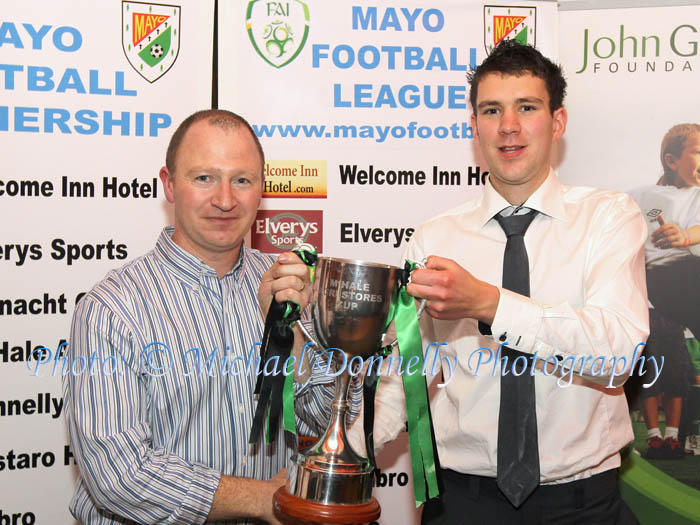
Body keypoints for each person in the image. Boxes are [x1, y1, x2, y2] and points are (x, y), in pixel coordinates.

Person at [354, 41, 649, 523]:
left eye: (526, 107)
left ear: (557, 122)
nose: (508, 126)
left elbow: (617, 357)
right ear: (474, 127)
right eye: (492, 110)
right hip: (463, 503)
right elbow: (408, 373)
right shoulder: (434, 237)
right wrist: (345, 451)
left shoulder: (608, 217)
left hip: (581, 504)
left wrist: (490, 303)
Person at [63, 109, 324, 524]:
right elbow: (117, 475)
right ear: (169, 185)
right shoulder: (113, 308)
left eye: (242, 179)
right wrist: (262, 499)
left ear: (261, 190)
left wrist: (290, 339)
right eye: (204, 178)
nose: (225, 199)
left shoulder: (288, 287)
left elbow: (333, 428)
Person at [627, 123, 700, 460]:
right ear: (672, 161)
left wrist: (686, 237)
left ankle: (678, 435)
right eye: (697, 151)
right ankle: (631, 435)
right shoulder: (643, 195)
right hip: (656, 282)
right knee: (640, 364)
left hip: (688, 273)